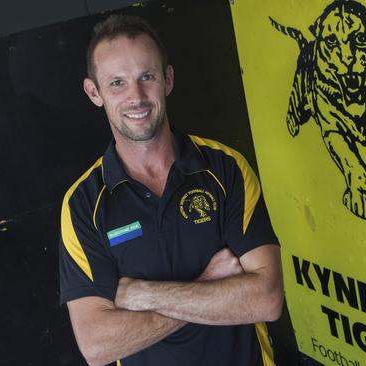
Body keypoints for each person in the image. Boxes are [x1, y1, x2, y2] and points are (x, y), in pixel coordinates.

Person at [58, 13, 283, 366]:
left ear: (168, 79)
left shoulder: (226, 168)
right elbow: (97, 346)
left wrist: (141, 294)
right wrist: (208, 283)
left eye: (146, 76)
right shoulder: (84, 204)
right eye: (117, 83)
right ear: (94, 92)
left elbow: (266, 299)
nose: (136, 96)